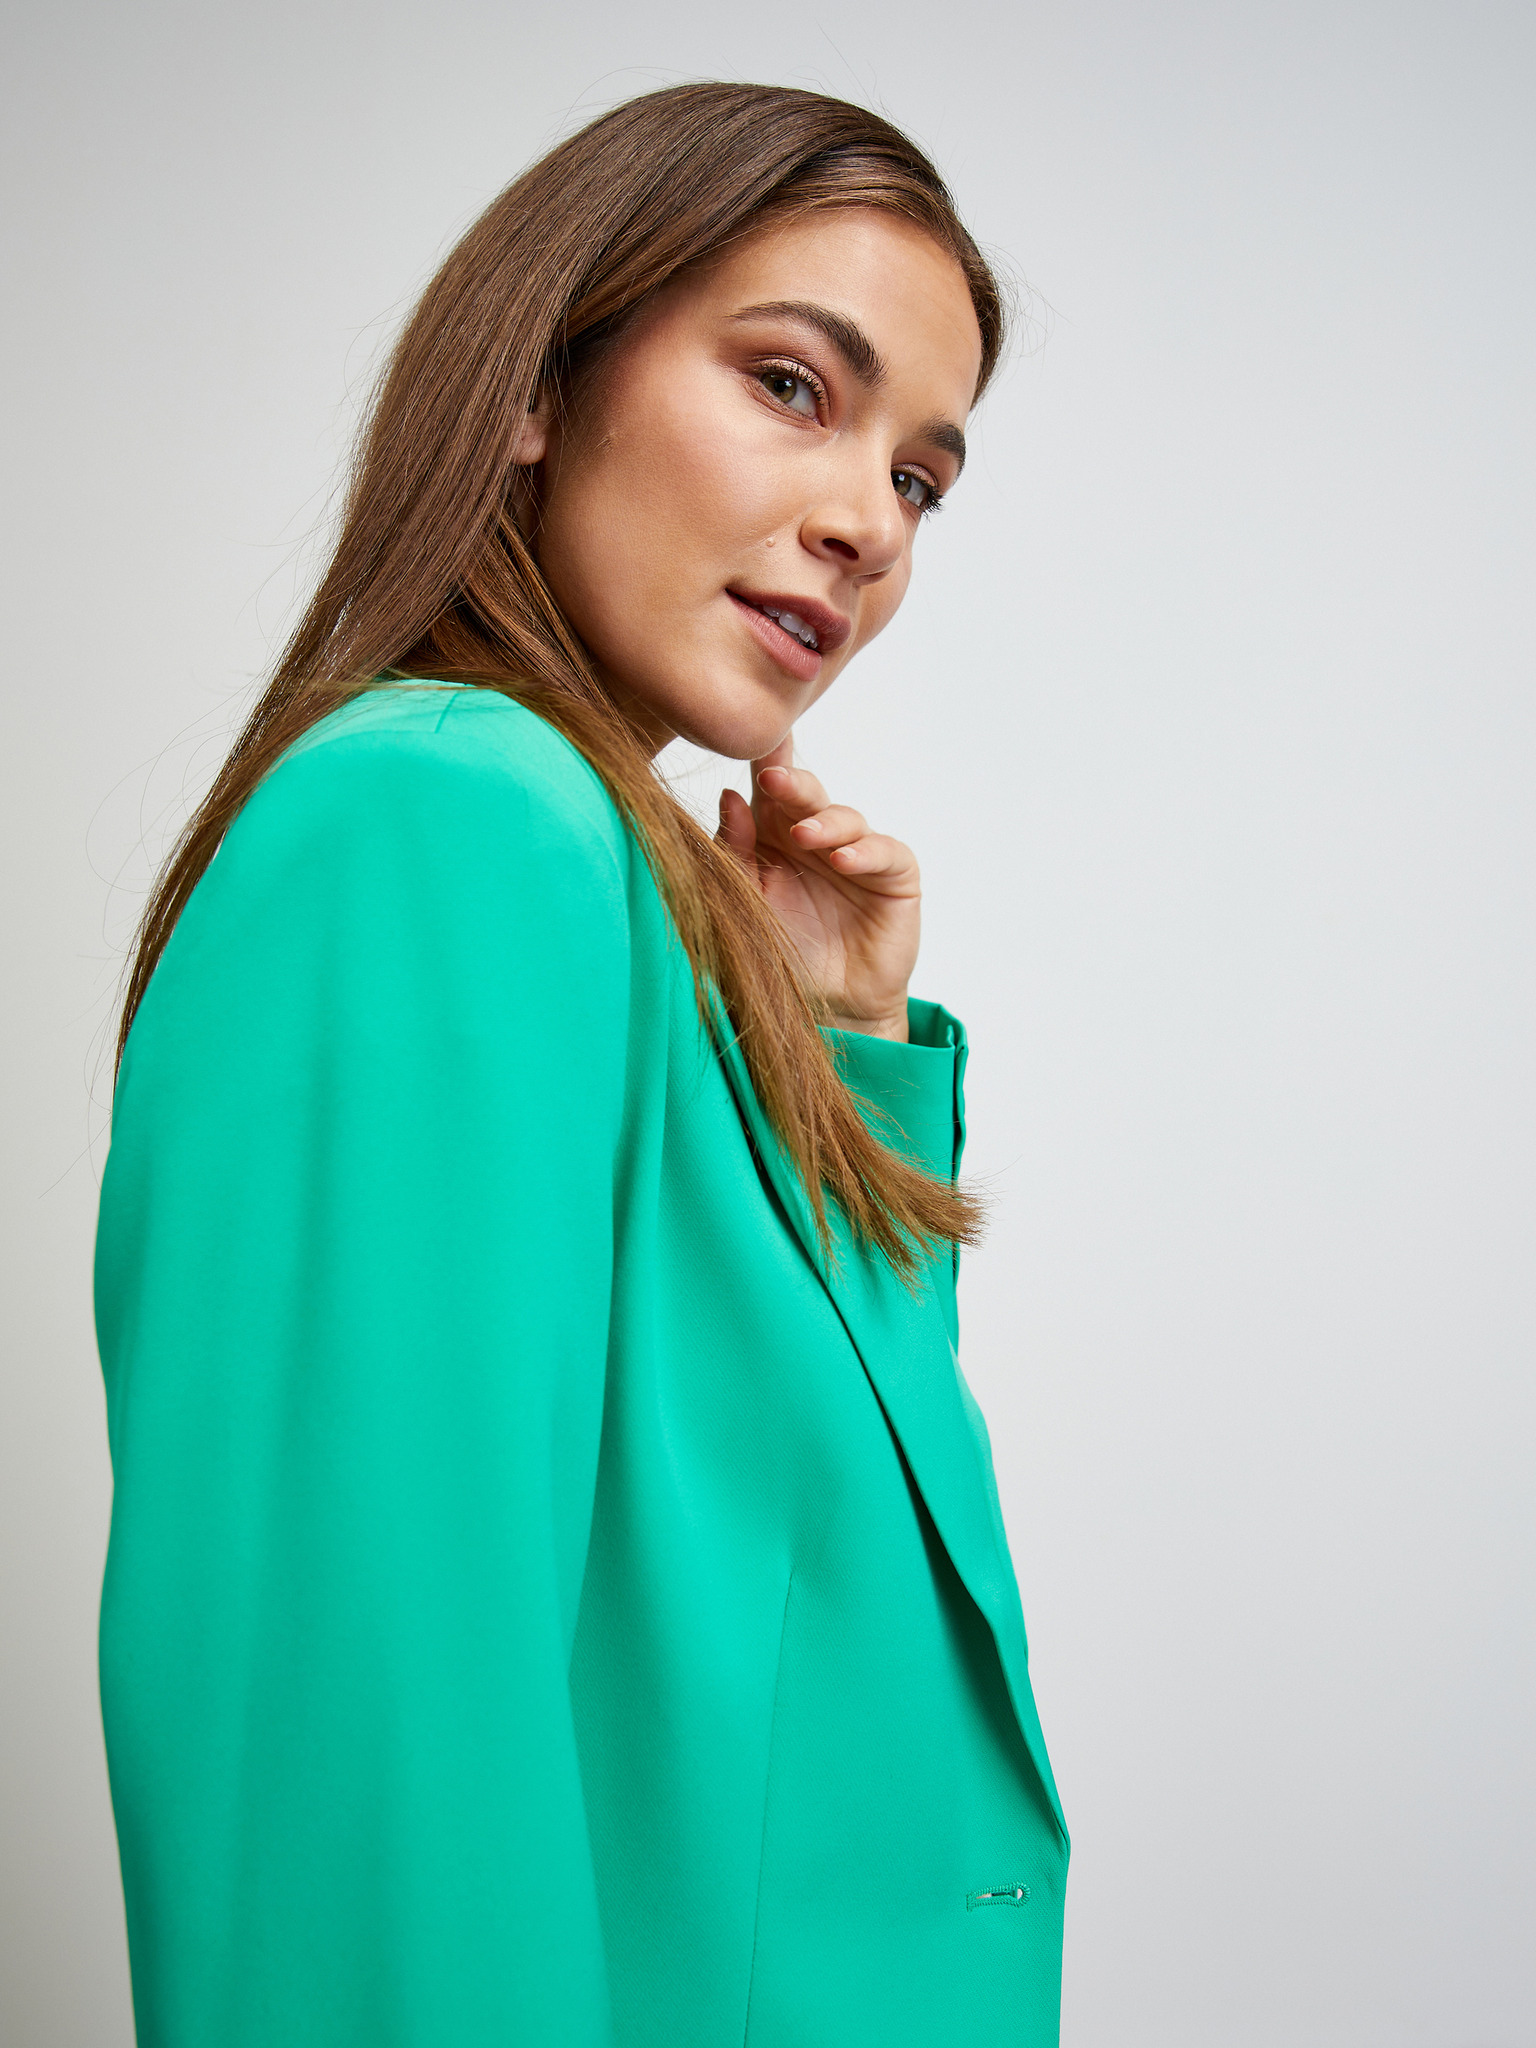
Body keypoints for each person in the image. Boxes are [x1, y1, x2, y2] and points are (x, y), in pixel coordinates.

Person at [94, 81, 1069, 2047]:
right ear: (543, 381)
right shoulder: (444, 817)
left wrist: (831, 1068)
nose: (868, 523)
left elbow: (792, 1568)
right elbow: (360, 1748)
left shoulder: (596, 885)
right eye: (793, 386)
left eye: (922, 478)